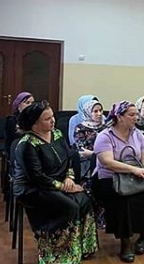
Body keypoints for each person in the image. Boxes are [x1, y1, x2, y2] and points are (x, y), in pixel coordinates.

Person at [14, 101, 98, 264]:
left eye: (52, 117)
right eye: (47, 119)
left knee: (85, 200)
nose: (53, 121)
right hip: (33, 189)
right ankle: (58, 255)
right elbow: (37, 177)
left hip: (59, 182)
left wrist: (69, 178)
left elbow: (70, 158)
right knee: (70, 207)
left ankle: (81, 248)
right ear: (34, 124)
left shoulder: (57, 133)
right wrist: (64, 187)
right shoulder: (27, 144)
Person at [92, 101, 144, 263]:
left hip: (134, 176)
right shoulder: (105, 136)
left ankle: (143, 237)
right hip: (109, 178)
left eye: (136, 114)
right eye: (131, 115)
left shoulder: (137, 134)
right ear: (119, 117)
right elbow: (108, 162)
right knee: (123, 198)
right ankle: (125, 242)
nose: (136, 117)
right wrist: (134, 170)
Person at [73, 99, 104, 183]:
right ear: (88, 113)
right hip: (87, 164)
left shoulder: (106, 126)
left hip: (105, 161)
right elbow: (82, 151)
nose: (99, 114)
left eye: (100, 110)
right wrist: (95, 155)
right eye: (95, 111)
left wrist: (94, 154)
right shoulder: (80, 128)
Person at [4, 91, 34, 159]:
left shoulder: (34, 118)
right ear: (18, 104)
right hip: (17, 150)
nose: (30, 105)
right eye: (27, 103)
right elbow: (14, 139)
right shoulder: (12, 120)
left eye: (32, 103)